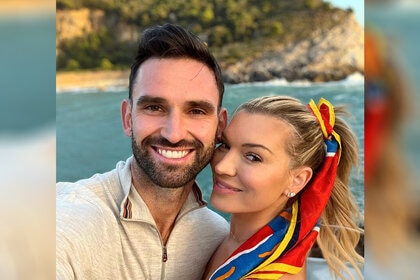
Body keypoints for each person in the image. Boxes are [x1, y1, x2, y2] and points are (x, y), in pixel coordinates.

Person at [56, 23, 229, 279]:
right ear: (128, 118)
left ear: (220, 126)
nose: (174, 134)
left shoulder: (217, 237)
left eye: (196, 111)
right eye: (154, 108)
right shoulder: (70, 221)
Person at [203, 96, 364, 280]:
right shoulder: (229, 240)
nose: (221, 167)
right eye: (225, 145)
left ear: (297, 180)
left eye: (253, 157)